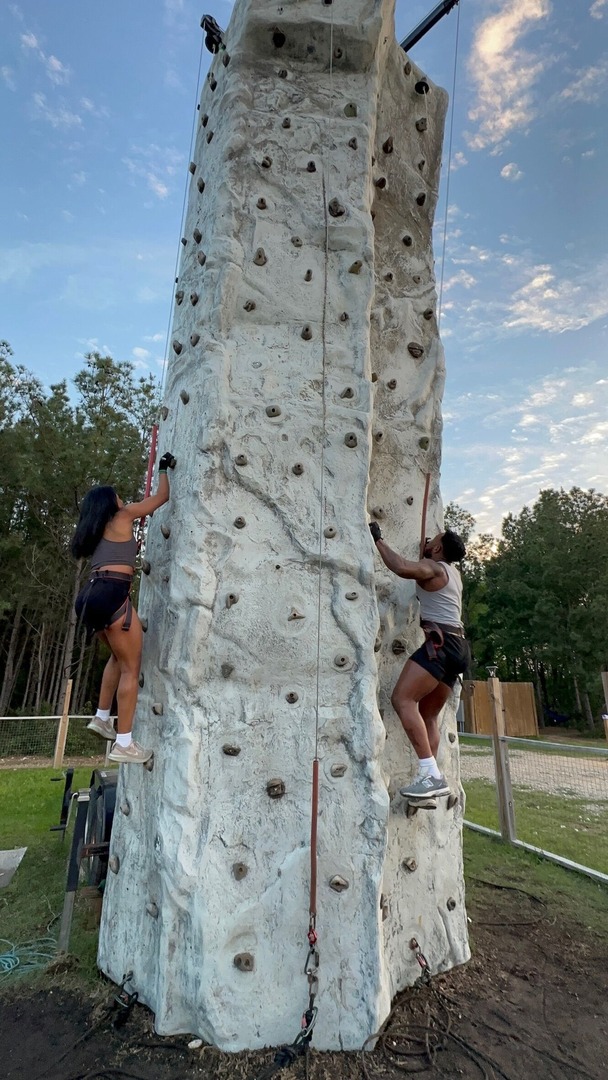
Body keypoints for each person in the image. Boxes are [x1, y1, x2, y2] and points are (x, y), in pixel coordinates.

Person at [71, 453, 174, 763]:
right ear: (110, 502)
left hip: (89, 597)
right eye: (116, 495)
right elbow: (161, 497)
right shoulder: (123, 515)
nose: (121, 498)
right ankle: (124, 744)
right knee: (131, 666)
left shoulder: (94, 531)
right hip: (112, 592)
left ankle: (102, 717)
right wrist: (163, 469)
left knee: (118, 657)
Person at [369, 523, 469, 801]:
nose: (427, 541)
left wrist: (378, 540)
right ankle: (430, 784)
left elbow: (401, 567)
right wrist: (427, 549)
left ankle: (430, 776)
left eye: (432, 540)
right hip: (459, 648)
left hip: (441, 645)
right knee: (428, 716)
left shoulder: (433, 569)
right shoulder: (453, 574)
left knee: (402, 699)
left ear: (437, 548)